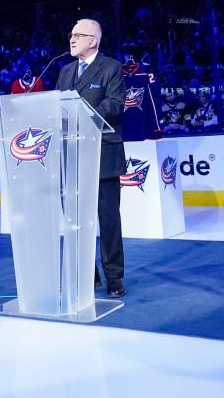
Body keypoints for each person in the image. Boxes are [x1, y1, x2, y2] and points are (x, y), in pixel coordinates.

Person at [56, 18, 128, 297]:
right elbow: (57, 105)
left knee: (107, 220)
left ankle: (114, 278)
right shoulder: (64, 71)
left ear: (93, 41)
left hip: (103, 152)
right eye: (71, 34)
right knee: (76, 219)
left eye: (78, 35)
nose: (71, 39)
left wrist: (80, 112)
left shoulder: (111, 67)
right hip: (72, 153)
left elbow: (115, 104)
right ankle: (89, 275)